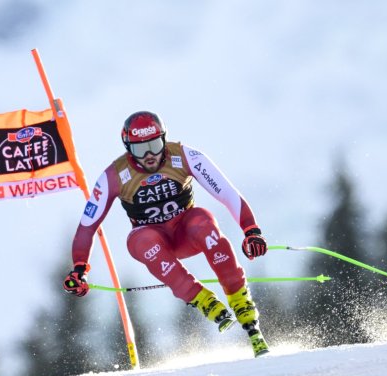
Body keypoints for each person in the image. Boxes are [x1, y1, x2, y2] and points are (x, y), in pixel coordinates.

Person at [63, 111, 269, 357]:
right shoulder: (114, 175)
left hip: (186, 233)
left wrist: (251, 230)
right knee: (141, 240)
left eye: (155, 145)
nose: (150, 155)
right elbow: (88, 225)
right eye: (141, 149)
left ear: (164, 138)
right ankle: (202, 300)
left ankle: (242, 303)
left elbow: (227, 193)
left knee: (202, 220)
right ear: (128, 148)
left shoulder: (184, 156)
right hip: (154, 240)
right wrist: (79, 268)